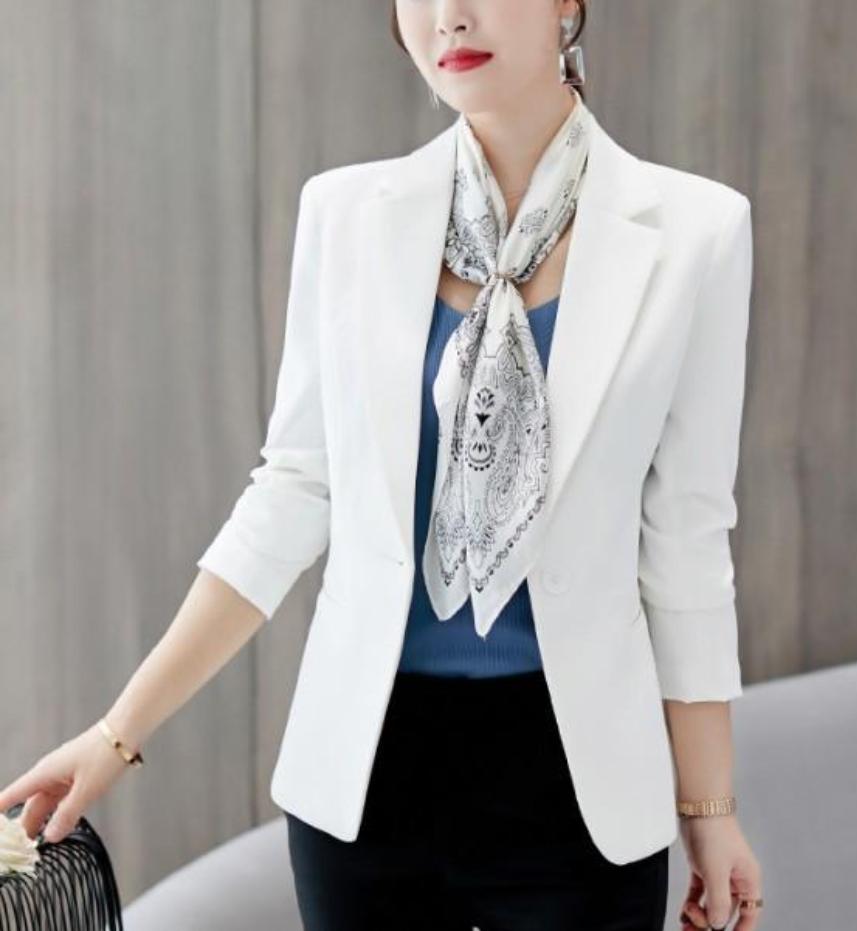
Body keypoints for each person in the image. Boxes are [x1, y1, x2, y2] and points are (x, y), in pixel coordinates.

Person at [0, 2, 765, 929]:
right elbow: (292, 493)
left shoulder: (696, 233)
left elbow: (686, 543)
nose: (451, 16)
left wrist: (708, 809)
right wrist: (115, 734)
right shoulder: (346, 216)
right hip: (366, 784)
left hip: (579, 788)